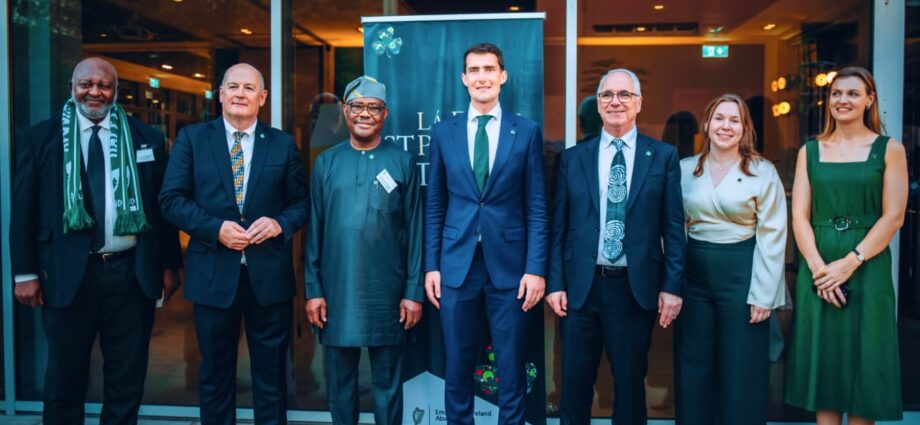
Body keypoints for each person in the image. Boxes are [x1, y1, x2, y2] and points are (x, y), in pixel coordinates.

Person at [10, 57, 182, 424]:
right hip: (69, 276)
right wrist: (24, 272)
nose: (95, 92)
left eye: (104, 85)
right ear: (72, 88)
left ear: (116, 91)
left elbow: (160, 208)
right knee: (64, 379)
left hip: (130, 275)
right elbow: (23, 209)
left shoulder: (145, 137)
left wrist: (169, 265)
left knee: (126, 380)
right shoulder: (42, 138)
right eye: (86, 84)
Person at [159, 63, 309, 425]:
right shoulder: (193, 139)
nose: (241, 93)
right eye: (233, 86)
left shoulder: (282, 144)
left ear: (263, 97)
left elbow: (301, 203)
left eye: (249, 88)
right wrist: (215, 229)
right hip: (213, 275)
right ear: (221, 94)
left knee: (271, 378)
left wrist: (278, 223)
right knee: (215, 378)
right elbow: (171, 199)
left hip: (268, 278)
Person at [546, 68, 685, 425]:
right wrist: (555, 283)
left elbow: (673, 228)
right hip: (581, 288)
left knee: (630, 387)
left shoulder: (663, 156)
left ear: (639, 103)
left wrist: (672, 287)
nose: (615, 102)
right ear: (598, 105)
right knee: (574, 387)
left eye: (624, 94)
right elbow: (559, 226)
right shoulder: (574, 158)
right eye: (607, 95)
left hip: (633, 289)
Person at [424, 42, 548, 425]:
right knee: (457, 366)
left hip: (511, 269)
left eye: (489, 69)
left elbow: (537, 206)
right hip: (456, 266)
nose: (482, 77)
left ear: (503, 76)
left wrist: (536, 269)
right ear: (464, 78)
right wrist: (431, 266)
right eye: (474, 70)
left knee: (511, 367)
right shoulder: (443, 132)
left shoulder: (526, 132)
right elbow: (435, 204)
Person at [785, 66, 907, 424]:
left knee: (866, 360)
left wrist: (850, 262)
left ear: (870, 100)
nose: (842, 100)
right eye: (836, 93)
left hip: (867, 265)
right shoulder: (810, 151)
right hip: (819, 266)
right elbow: (799, 217)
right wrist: (820, 271)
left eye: (853, 93)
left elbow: (894, 217)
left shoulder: (890, 149)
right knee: (824, 362)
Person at [305, 76, 423, 425]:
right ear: (345, 111)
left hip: (388, 293)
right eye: (357, 106)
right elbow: (314, 230)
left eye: (374, 107)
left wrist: (413, 292)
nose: (365, 114)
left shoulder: (402, 161)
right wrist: (314, 290)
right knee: (340, 386)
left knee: (388, 386)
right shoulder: (326, 162)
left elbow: (416, 230)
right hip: (337, 291)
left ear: (385, 114)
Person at [674, 94, 787, 424]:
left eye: (734, 120)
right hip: (693, 274)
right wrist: (673, 283)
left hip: (743, 273)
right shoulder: (684, 169)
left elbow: (773, 234)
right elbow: (673, 228)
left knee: (742, 367)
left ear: (745, 128)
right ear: (707, 124)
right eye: (719, 118)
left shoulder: (763, 172)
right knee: (694, 365)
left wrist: (764, 294)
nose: (726, 126)